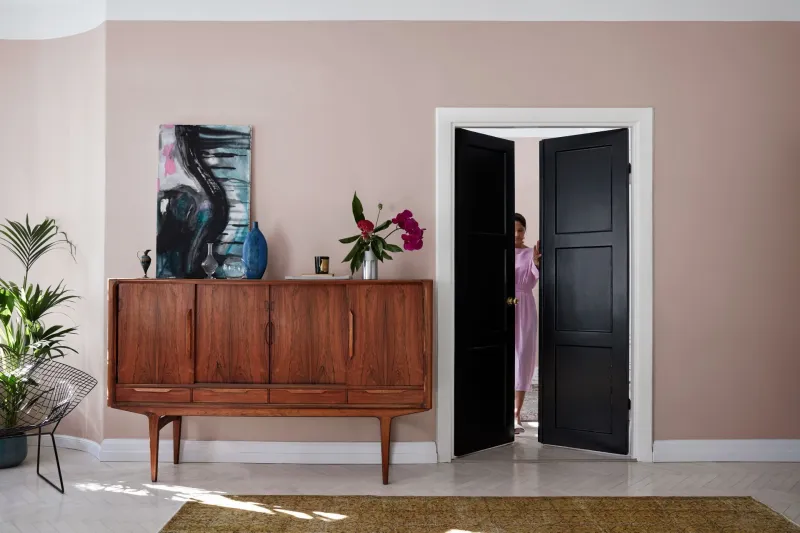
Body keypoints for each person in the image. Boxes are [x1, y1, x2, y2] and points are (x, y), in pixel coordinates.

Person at [513, 213, 541, 434]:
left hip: (524, 307)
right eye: (513, 229)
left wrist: (538, 262)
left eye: (520, 229)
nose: (516, 234)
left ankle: (516, 413)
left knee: (522, 357)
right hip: (502, 305)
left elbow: (535, 275)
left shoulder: (530, 254)